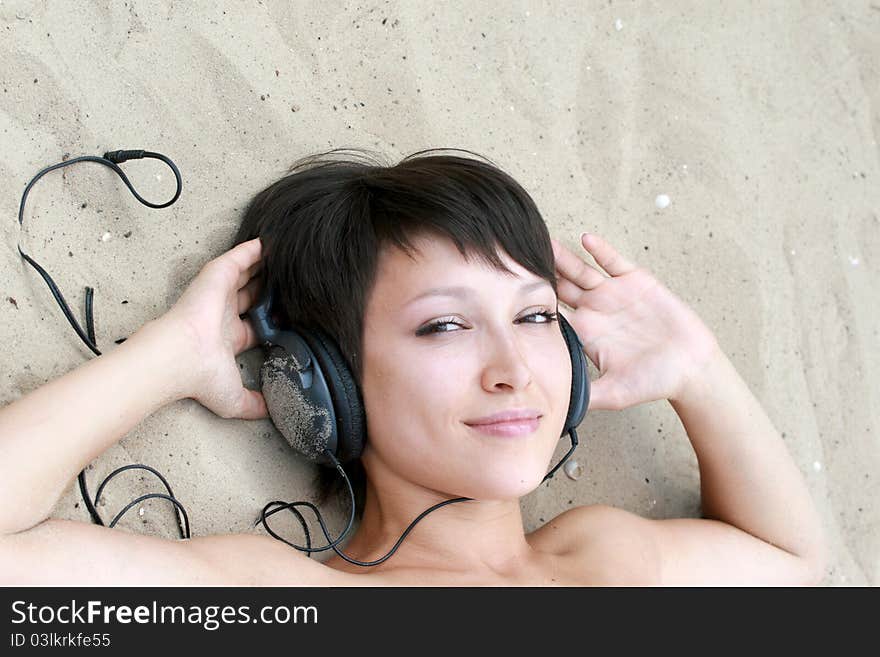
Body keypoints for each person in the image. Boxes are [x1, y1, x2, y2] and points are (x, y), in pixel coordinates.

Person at [0, 148, 827, 586]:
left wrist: (697, 367)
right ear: (318, 386)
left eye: (537, 316)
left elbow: (790, 558)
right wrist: (169, 358)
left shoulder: (604, 554)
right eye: (443, 326)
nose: (515, 369)